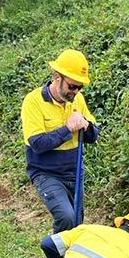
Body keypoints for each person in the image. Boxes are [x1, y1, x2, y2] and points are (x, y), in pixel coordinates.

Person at [21, 49, 100, 232]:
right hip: (46, 172)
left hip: (75, 171)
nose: (76, 91)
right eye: (72, 86)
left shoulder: (77, 99)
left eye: (80, 87)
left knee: (77, 225)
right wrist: (68, 129)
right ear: (58, 77)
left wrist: (86, 125)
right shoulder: (33, 101)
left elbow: (94, 135)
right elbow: (38, 144)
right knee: (66, 217)